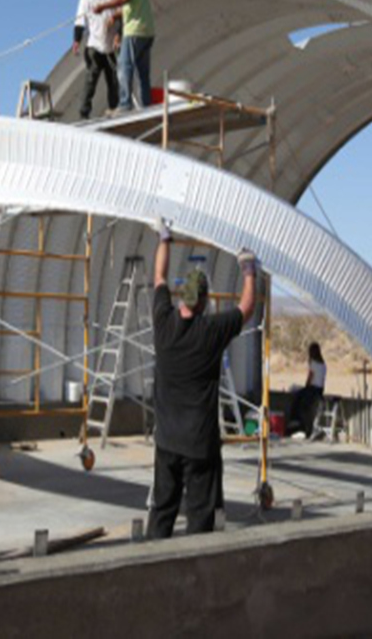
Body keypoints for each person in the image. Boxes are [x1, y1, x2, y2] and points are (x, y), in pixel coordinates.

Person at [147, 218, 257, 538]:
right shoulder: (210, 332)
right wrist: (248, 268)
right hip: (199, 445)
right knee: (200, 517)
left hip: (166, 441)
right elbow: (247, 307)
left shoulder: (163, 322)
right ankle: (194, 577)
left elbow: (158, 277)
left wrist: (164, 239)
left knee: (162, 510)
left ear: (181, 297)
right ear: (205, 301)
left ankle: (148, 568)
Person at [93, 0, 155, 111]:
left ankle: (125, 104)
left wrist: (103, 6)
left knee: (124, 65)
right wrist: (116, 15)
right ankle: (146, 107)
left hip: (135, 30)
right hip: (147, 30)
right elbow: (132, 4)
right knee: (143, 73)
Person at [73, 0, 121, 119]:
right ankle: (83, 113)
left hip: (111, 43)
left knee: (113, 79)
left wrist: (118, 33)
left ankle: (114, 109)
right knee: (91, 78)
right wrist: (76, 41)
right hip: (94, 43)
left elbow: (122, 11)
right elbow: (79, 22)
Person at [293, 342, 327, 435]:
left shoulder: (313, 363)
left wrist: (305, 387)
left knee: (299, 402)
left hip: (312, 388)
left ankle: (300, 425)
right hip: (320, 389)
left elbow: (310, 377)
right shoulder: (323, 365)